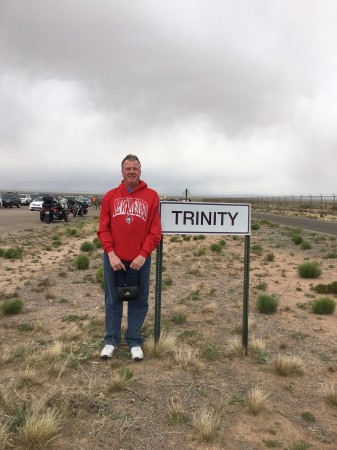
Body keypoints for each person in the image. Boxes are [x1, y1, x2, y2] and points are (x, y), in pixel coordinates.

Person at [97, 154, 162, 360]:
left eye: (135, 168)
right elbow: (103, 229)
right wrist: (111, 254)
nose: (132, 171)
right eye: (128, 168)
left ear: (140, 171)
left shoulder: (151, 196)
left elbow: (155, 231)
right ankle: (111, 341)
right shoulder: (110, 196)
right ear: (122, 171)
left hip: (140, 260)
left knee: (139, 300)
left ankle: (134, 341)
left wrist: (143, 254)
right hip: (114, 259)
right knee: (112, 300)